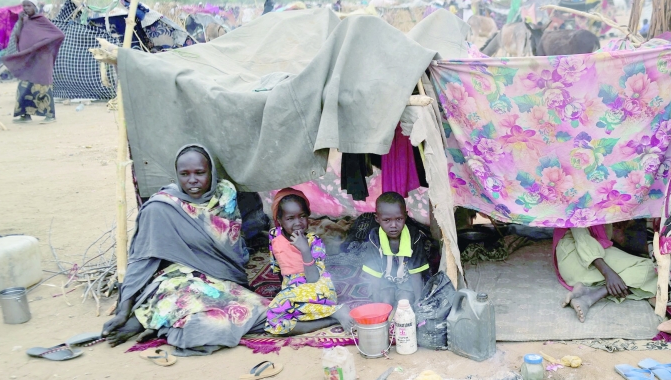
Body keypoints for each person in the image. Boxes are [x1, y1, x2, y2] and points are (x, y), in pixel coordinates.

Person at [102, 144, 268, 353]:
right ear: (176, 175)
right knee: (195, 319)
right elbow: (141, 260)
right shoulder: (161, 207)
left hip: (220, 278)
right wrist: (122, 311)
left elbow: (231, 247)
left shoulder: (224, 196)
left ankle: (155, 322)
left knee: (260, 311)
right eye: (184, 174)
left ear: (211, 172)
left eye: (200, 173)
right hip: (175, 278)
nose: (192, 180)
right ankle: (145, 320)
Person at [264, 188, 351, 335]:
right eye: (290, 218)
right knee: (277, 324)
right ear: (279, 220)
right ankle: (332, 317)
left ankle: (333, 310)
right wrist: (284, 292)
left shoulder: (314, 241)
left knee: (276, 314)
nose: (298, 223)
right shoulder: (274, 236)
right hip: (293, 290)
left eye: (302, 216)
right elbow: (278, 266)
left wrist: (305, 250)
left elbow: (314, 279)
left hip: (317, 288)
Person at [556, 224, 659, 323]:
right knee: (651, 267)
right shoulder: (579, 206)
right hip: (579, 259)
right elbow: (582, 239)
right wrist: (608, 274)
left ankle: (586, 289)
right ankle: (590, 298)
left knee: (628, 272)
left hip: (572, 266)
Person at [3, 0, 64, 125]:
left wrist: (39, 45)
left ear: (35, 7)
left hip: (42, 59)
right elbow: (18, 37)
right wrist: (19, 21)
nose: (26, 8)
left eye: (29, 5)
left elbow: (59, 34)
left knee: (42, 85)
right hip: (28, 58)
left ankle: (50, 115)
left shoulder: (41, 20)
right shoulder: (25, 20)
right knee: (24, 84)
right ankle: (24, 115)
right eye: (24, 5)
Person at [361, 192, 430, 307]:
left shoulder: (414, 237)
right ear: (377, 219)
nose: (393, 225)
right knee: (385, 301)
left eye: (399, 219)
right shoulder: (374, 238)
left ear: (405, 216)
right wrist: (377, 305)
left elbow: (416, 273)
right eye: (387, 220)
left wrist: (419, 300)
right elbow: (374, 275)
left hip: (406, 282)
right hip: (385, 281)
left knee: (405, 303)